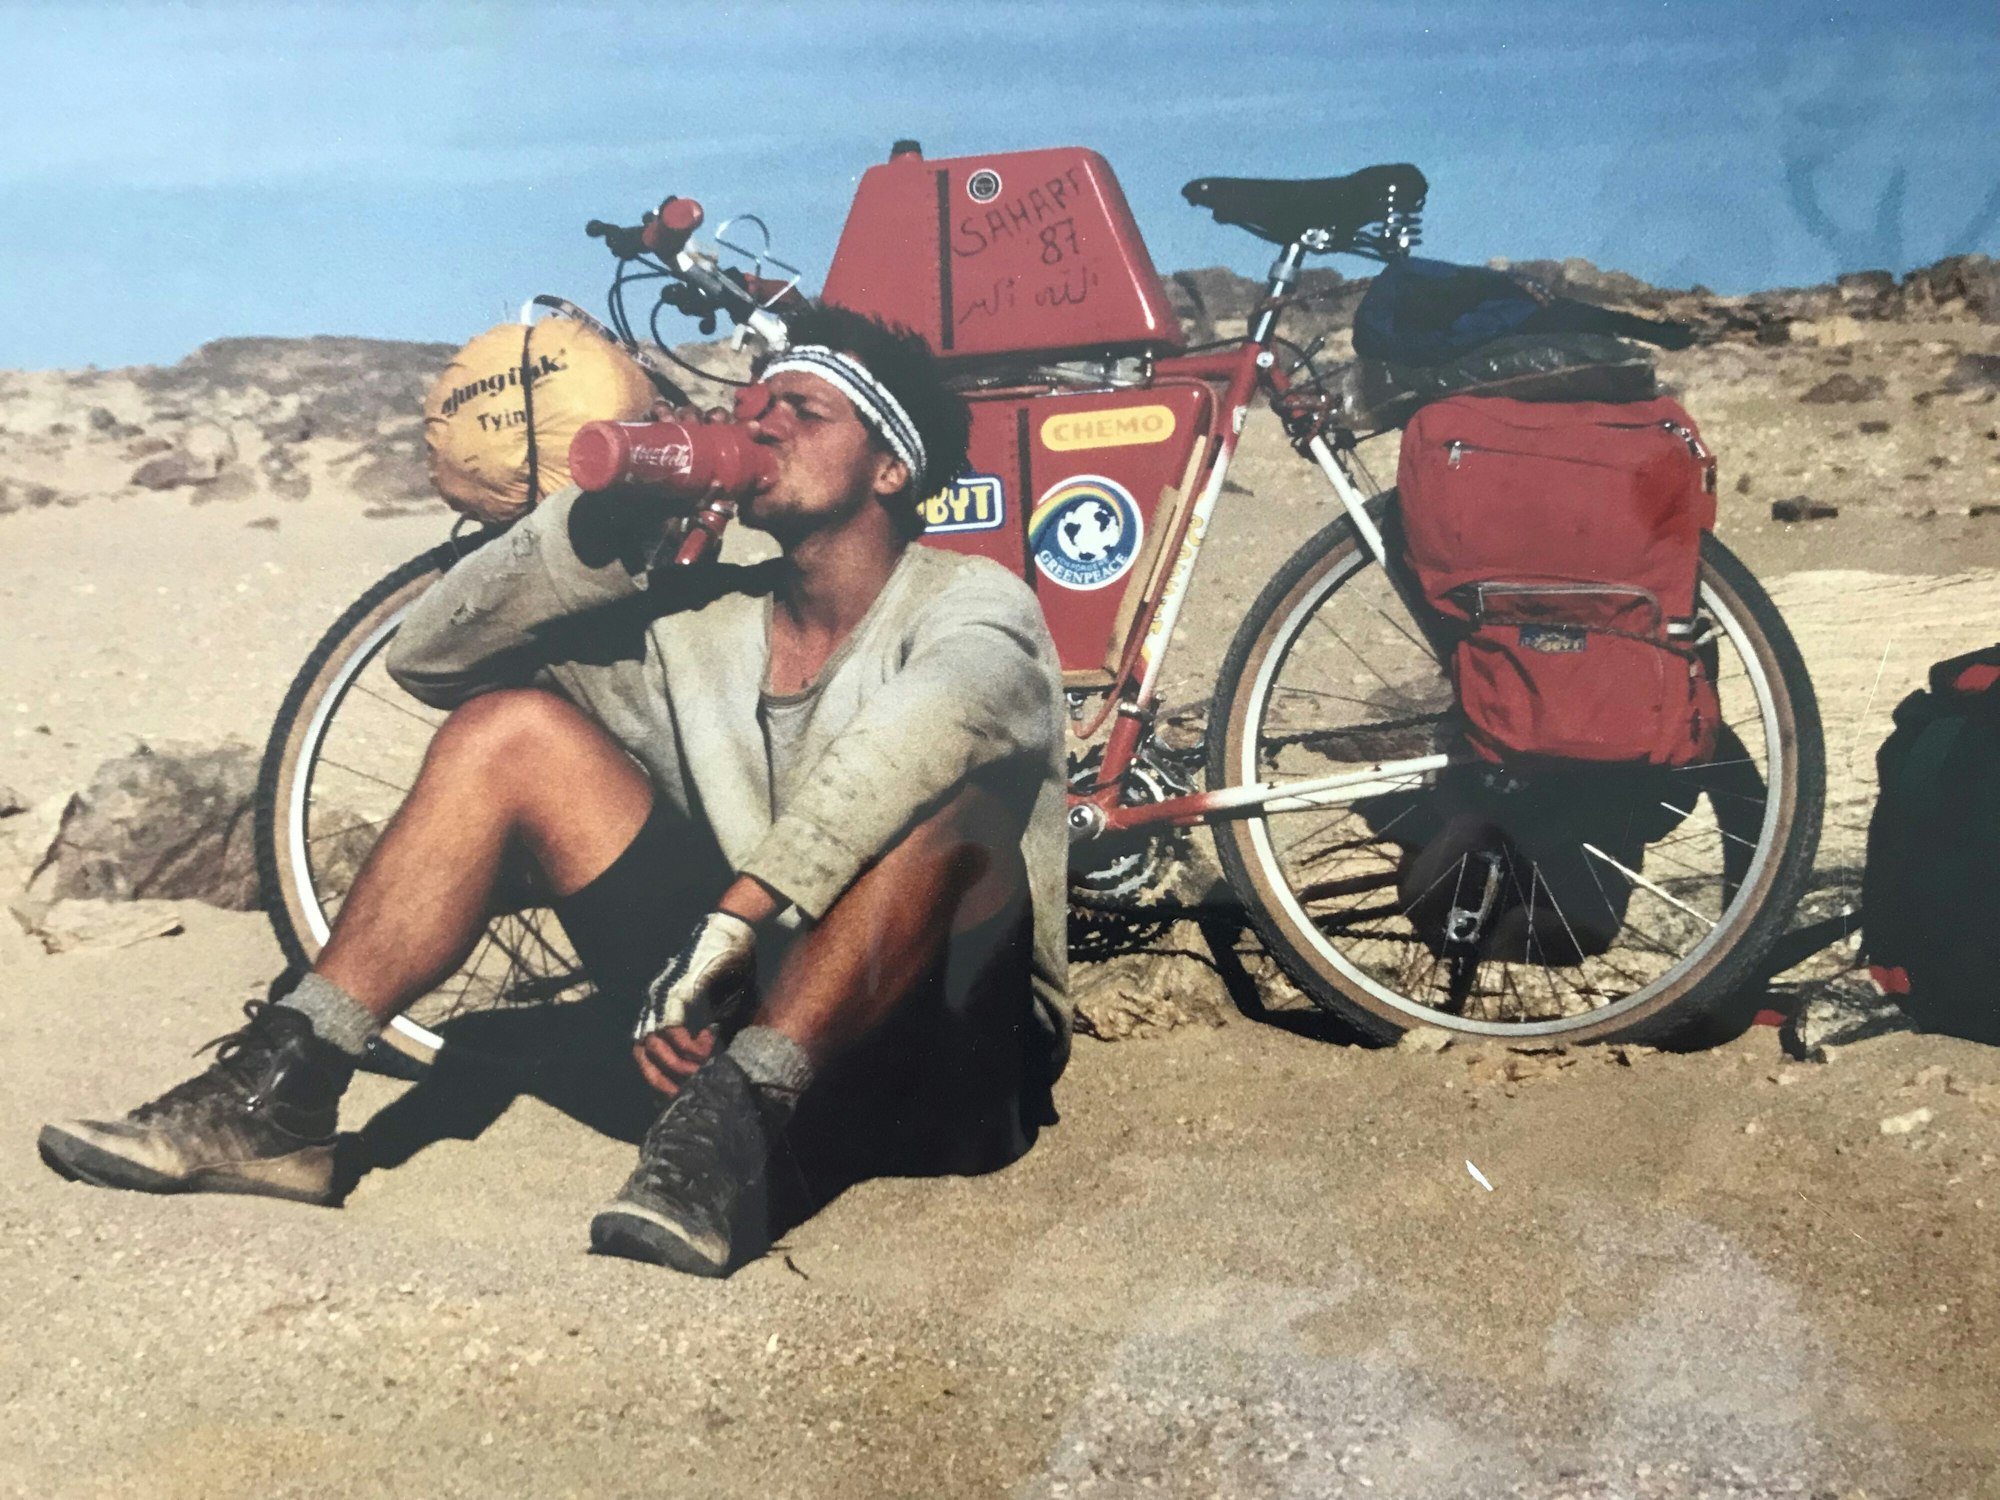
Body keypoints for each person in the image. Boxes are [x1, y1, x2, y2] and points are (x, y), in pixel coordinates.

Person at [39, 303, 1072, 1278]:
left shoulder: (977, 607)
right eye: (750, 407)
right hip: (716, 1052)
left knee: (952, 817)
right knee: (508, 731)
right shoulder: (701, 620)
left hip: (940, 1066)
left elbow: (916, 738)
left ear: (890, 467)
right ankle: (284, 1097)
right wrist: (600, 517)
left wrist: (732, 920)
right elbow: (432, 660)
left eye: (800, 412)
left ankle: (741, 1127)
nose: (760, 425)